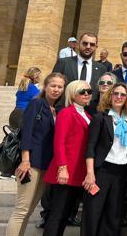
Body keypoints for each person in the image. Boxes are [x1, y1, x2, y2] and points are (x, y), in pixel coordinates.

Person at [6, 73, 66, 236]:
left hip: (46, 164)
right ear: (45, 86)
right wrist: (25, 160)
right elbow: (27, 132)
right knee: (21, 209)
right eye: (53, 85)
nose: (56, 89)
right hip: (31, 163)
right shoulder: (36, 103)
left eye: (60, 87)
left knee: (30, 209)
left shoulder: (57, 109)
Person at [81, 83, 127, 235]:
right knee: (93, 212)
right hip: (102, 171)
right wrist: (90, 173)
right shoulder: (100, 118)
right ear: (110, 96)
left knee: (114, 214)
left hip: (122, 172)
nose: (119, 97)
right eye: (116, 94)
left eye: (122, 95)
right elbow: (91, 147)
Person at [42, 80, 92, 236]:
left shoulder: (87, 114)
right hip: (65, 172)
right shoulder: (66, 113)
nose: (86, 95)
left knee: (66, 214)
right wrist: (62, 168)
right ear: (72, 94)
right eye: (82, 92)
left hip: (79, 172)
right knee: (57, 214)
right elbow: (59, 142)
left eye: (88, 92)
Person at [52, 32, 106, 110]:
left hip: (90, 115)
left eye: (92, 44)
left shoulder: (101, 69)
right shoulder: (63, 63)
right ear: (78, 44)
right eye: (85, 43)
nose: (88, 46)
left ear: (96, 47)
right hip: (64, 111)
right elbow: (53, 85)